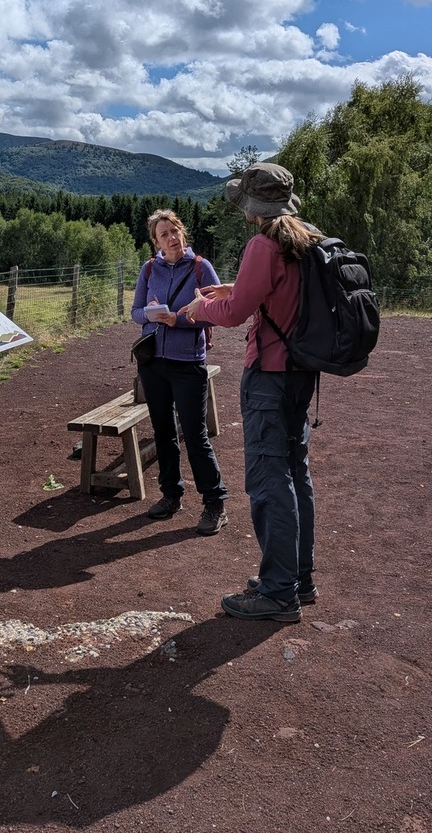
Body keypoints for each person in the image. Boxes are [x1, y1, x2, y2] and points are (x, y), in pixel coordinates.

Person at [183, 164, 322, 622]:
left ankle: (278, 592)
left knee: (268, 480)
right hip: (301, 373)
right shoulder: (305, 237)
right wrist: (235, 288)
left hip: (269, 375)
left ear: (252, 206)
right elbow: (277, 295)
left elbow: (234, 313)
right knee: (295, 472)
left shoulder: (264, 244)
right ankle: (298, 579)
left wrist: (202, 306)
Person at [131, 209, 229, 535]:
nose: (171, 238)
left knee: (195, 435)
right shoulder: (149, 269)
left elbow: (217, 313)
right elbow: (134, 312)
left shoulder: (201, 268)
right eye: (164, 234)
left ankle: (215, 503)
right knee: (162, 432)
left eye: (174, 231)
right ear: (155, 241)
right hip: (153, 363)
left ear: (182, 231)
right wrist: (150, 314)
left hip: (188, 364)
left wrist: (180, 320)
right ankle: (171, 495)